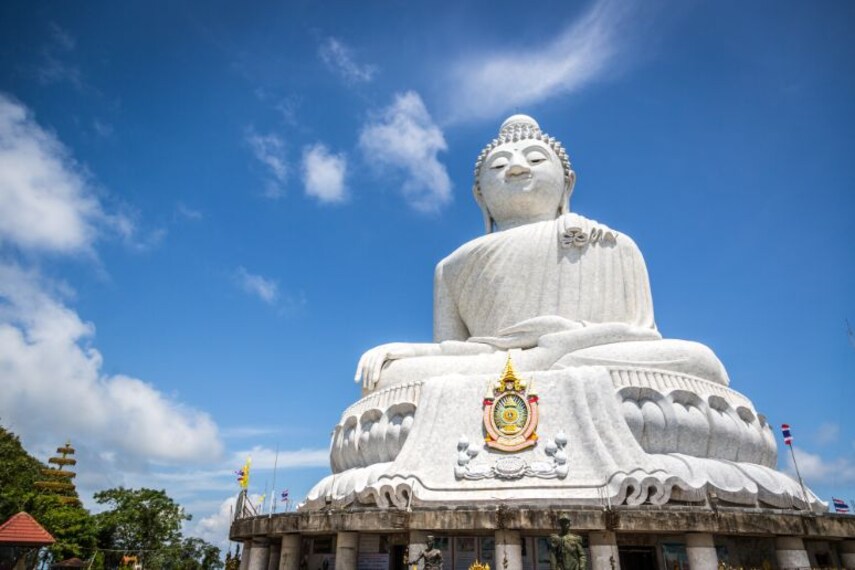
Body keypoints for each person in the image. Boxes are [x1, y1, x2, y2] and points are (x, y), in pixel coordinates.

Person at [354, 114, 728, 394]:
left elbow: (641, 337)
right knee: (389, 379)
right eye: (499, 166)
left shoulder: (611, 244)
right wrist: (403, 352)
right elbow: (456, 354)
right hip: (498, 367)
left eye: (534, 159)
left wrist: (564, 342)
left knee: (699, 361)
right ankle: (541, 367)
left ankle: (543, 366)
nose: (516, 168)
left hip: (583, 358)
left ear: (568, 183)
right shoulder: (452, 266)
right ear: (479, 195)